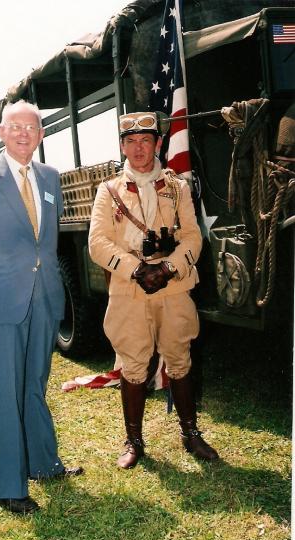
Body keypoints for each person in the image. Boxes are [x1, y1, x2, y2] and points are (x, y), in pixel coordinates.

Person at [0, 100, 83, 514]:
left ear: (41, 135)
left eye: (32, 127)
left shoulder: (49, 177)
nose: (24, 133)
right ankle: (10, 486)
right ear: (2, 133)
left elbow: (47, 239)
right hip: (2, 300)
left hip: (44, 296)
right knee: (7, 389)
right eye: (15, 127)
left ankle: (44, 464)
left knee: (35, 385)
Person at [88, 111, 219, 469]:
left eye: (145, 140)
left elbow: (193, 236)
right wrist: (136, 269)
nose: (138, 148)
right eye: (130, 141)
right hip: (130, 291)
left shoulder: (178, 188)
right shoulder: (108, 191)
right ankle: (133, 441)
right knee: (133, 364)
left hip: (172, 287)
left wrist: (168, 267)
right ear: (122, 146)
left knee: (179, 359)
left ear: (158, 143)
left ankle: (190, 433)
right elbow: (97, 243)